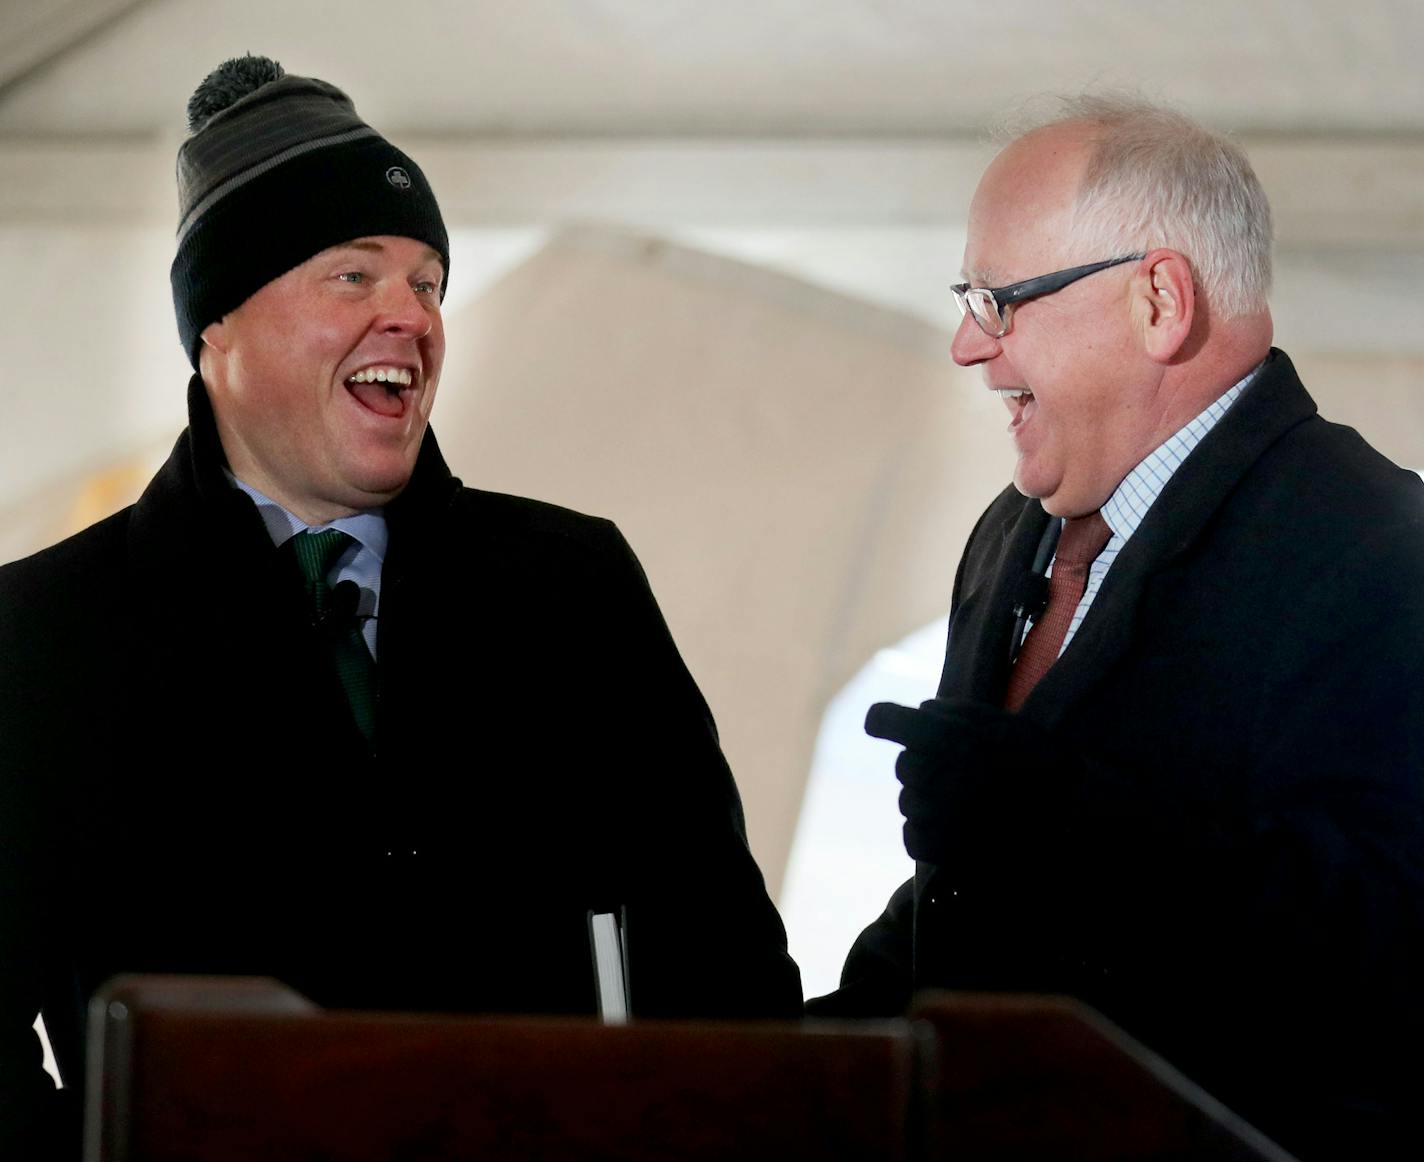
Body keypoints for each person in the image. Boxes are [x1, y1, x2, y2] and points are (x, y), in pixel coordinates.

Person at [0, 55, 800, 1159]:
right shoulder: (48, 632)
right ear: (217, 323)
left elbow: (724, 972)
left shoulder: (570, 586)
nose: (409, 318)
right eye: (353, 275)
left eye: (427, 283)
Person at [808, 95, 1424, 1160]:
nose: (967, 345)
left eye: (999, 301)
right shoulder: (1011, 534)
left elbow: (1383, 961)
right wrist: (798, 1048)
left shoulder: (1379, 549)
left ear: (1157, 300)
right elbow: (970, 897)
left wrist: (1071, 832)